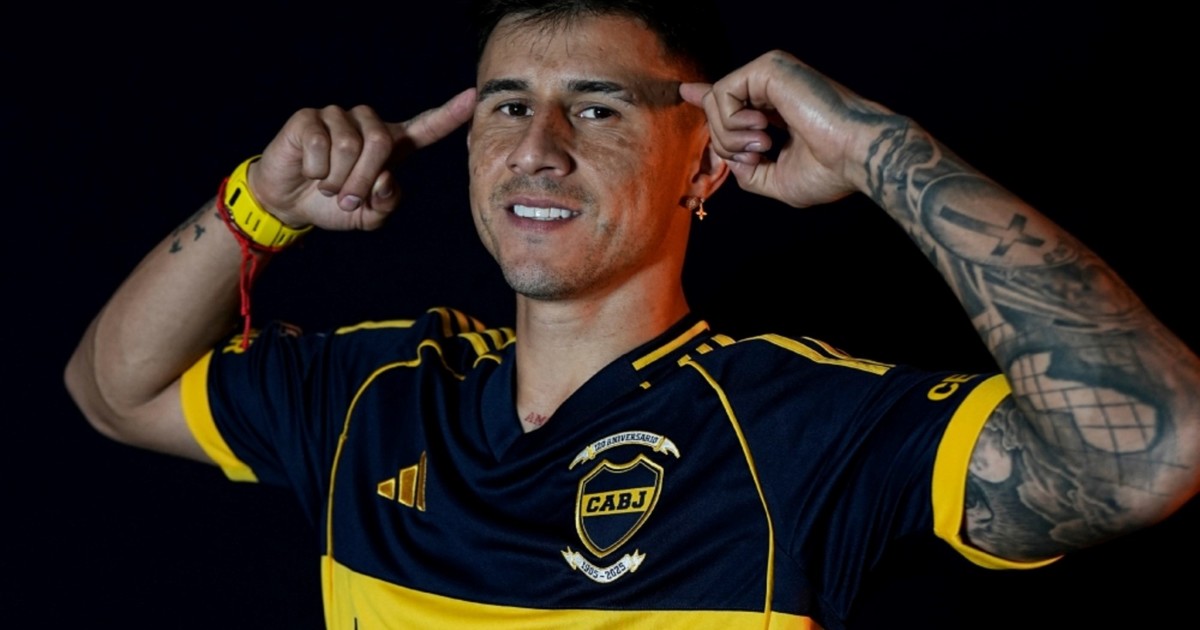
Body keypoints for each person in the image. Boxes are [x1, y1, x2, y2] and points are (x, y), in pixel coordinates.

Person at [63, 1, 1199, 628]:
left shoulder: (794, 423)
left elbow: (1151, 450)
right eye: (508, 106)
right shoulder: (378, 394)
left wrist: (881, 152)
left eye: (598, 110)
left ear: (701, 167)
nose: (537, 149)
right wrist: (259, 207)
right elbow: (112, 391)